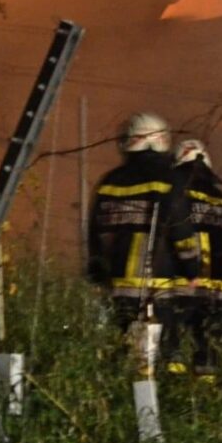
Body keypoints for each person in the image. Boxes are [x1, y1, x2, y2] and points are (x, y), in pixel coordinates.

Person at [86, 112, 194, 370]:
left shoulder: (109, 182)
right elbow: (181, 231)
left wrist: (97, 272)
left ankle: (128, 395)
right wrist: (192, 271)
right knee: (169, 348)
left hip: (120, 284)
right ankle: (169, 398)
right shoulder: (171, 179)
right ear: (162, 140)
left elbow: (94, 233)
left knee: (129, 351)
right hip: (159, 282)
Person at [170, 138, 222, 377]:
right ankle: (206, 398)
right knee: (208, 356)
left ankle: (173, 392)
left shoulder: (177, 196)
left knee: (173, 351)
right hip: (219, 296)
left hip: (182, 289)